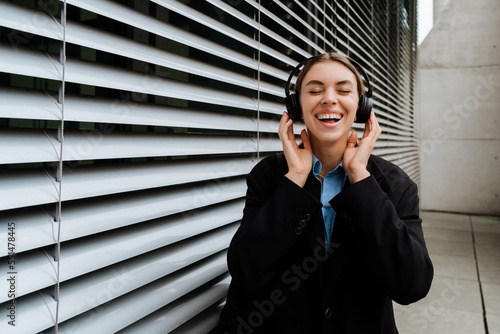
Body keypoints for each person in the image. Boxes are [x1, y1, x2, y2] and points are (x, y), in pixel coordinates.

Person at [216, 52, 433, 334]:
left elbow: (412, 284)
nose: (329, 98)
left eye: (343, 90)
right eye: (315, 90)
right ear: (296, 107)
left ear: (362, 107)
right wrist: (294, 182)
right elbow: (246, 272)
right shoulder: (269, 176)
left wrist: (360, 180)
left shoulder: (395, 184)